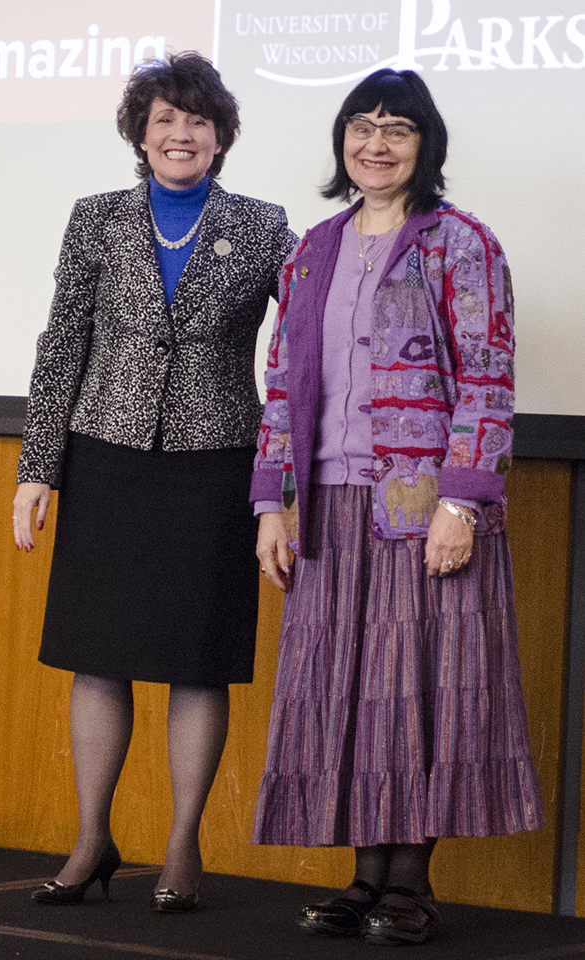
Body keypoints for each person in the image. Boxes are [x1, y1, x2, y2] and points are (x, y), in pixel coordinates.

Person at [251, 67, 543, 946]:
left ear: (425, 146)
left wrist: (463, 500)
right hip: (330, 506)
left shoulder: (459, 242)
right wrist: (273, 502)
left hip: (423, 507)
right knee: (346, 691)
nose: (375, 143)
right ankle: (363, 879)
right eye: (361, 126)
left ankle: (408, 886)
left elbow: (488, 377)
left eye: (397, 129)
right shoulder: (312, 247)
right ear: (342, 142)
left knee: (419, 689)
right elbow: (281, 384)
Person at [13, 52, 296, 911]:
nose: (181, 134)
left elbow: (317, 323)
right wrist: (38, 470)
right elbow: (61, 344)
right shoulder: (95, 218)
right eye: (165, 119)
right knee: (97, 659)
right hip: (105, 455)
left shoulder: (263, 224)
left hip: (215, 465)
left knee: (196, 661)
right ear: (141, 132)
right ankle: (93, 838)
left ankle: (181, 846)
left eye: (197, 122)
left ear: (221, 137)